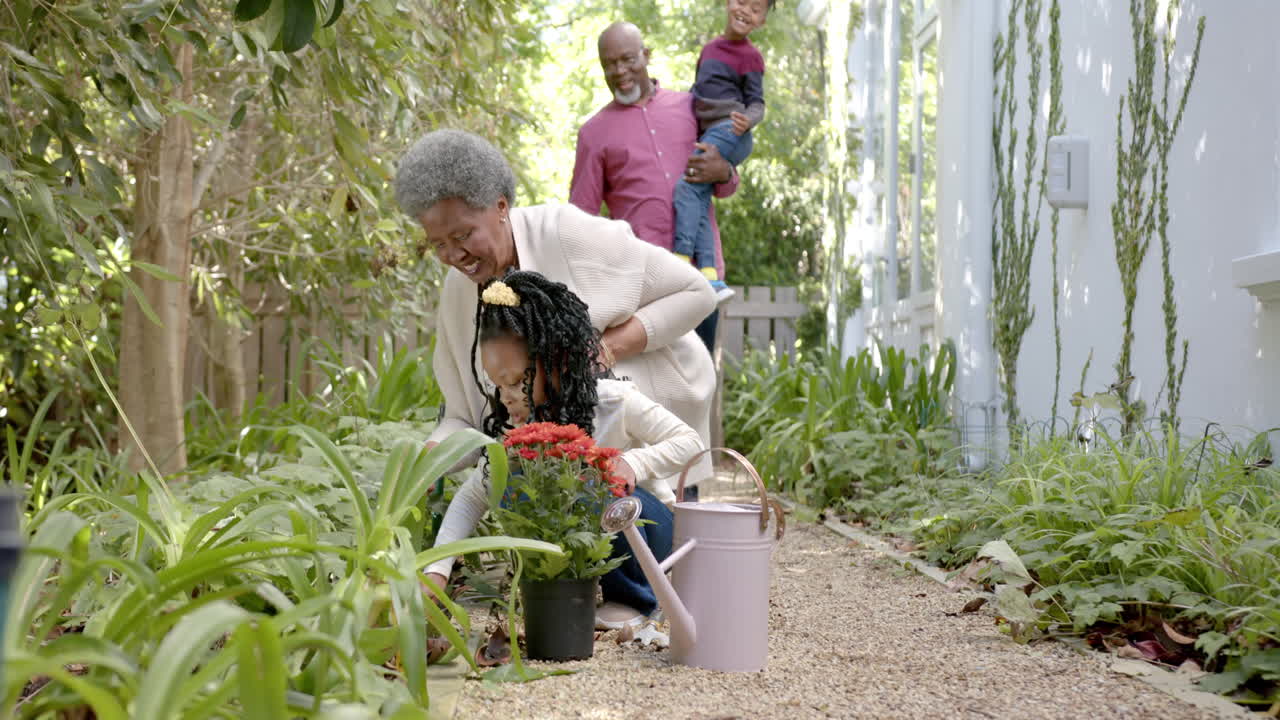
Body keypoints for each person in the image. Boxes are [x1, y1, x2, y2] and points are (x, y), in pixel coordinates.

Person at [393, 128, 716, 500]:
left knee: (661, 525)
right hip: (573, 465)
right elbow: (466, 416)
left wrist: (600, 351)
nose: (452, 255)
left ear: (501, 207)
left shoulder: (567, 233)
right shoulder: (458, 290)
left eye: (463, 235)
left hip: (658, 414)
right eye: (438, 244)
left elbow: (696, 292)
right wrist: (430, 459)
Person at [422, 270, 703, 628]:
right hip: (588, 548)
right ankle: (556, 585)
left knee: (596, 486)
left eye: (515, 381)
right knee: (508, 479)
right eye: (497, 386)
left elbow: (690, 442)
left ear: (557, 363)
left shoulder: (612, 402)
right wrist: (438, 569)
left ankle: (634, 599)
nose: (506, 397)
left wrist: (634, 462)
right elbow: (471, 498)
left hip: (647, 535)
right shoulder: (522, 431)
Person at [570, 21, 739, 353]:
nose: (620, 71)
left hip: (703, 276)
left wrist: (724, 172)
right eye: (609, 64)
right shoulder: (593, 133)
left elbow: (726, 184)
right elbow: (580, 220)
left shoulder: (692, 107)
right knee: (652, 382)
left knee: (701, 377)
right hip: (643, 284)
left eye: (628, 59)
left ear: (646, 55)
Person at [672, 0, 772, 304]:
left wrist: (748, 120)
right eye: (741, 2)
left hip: (731, 130)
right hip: (711, 132)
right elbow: (698, 92)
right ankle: (710, 276)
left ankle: (679, 261)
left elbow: (757, 103)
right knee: (699, 199)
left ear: (762, 21)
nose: (745, 11)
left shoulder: (751, 57)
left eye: (756, 9)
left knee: (686, 189)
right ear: (729, 3)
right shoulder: (709, 50)